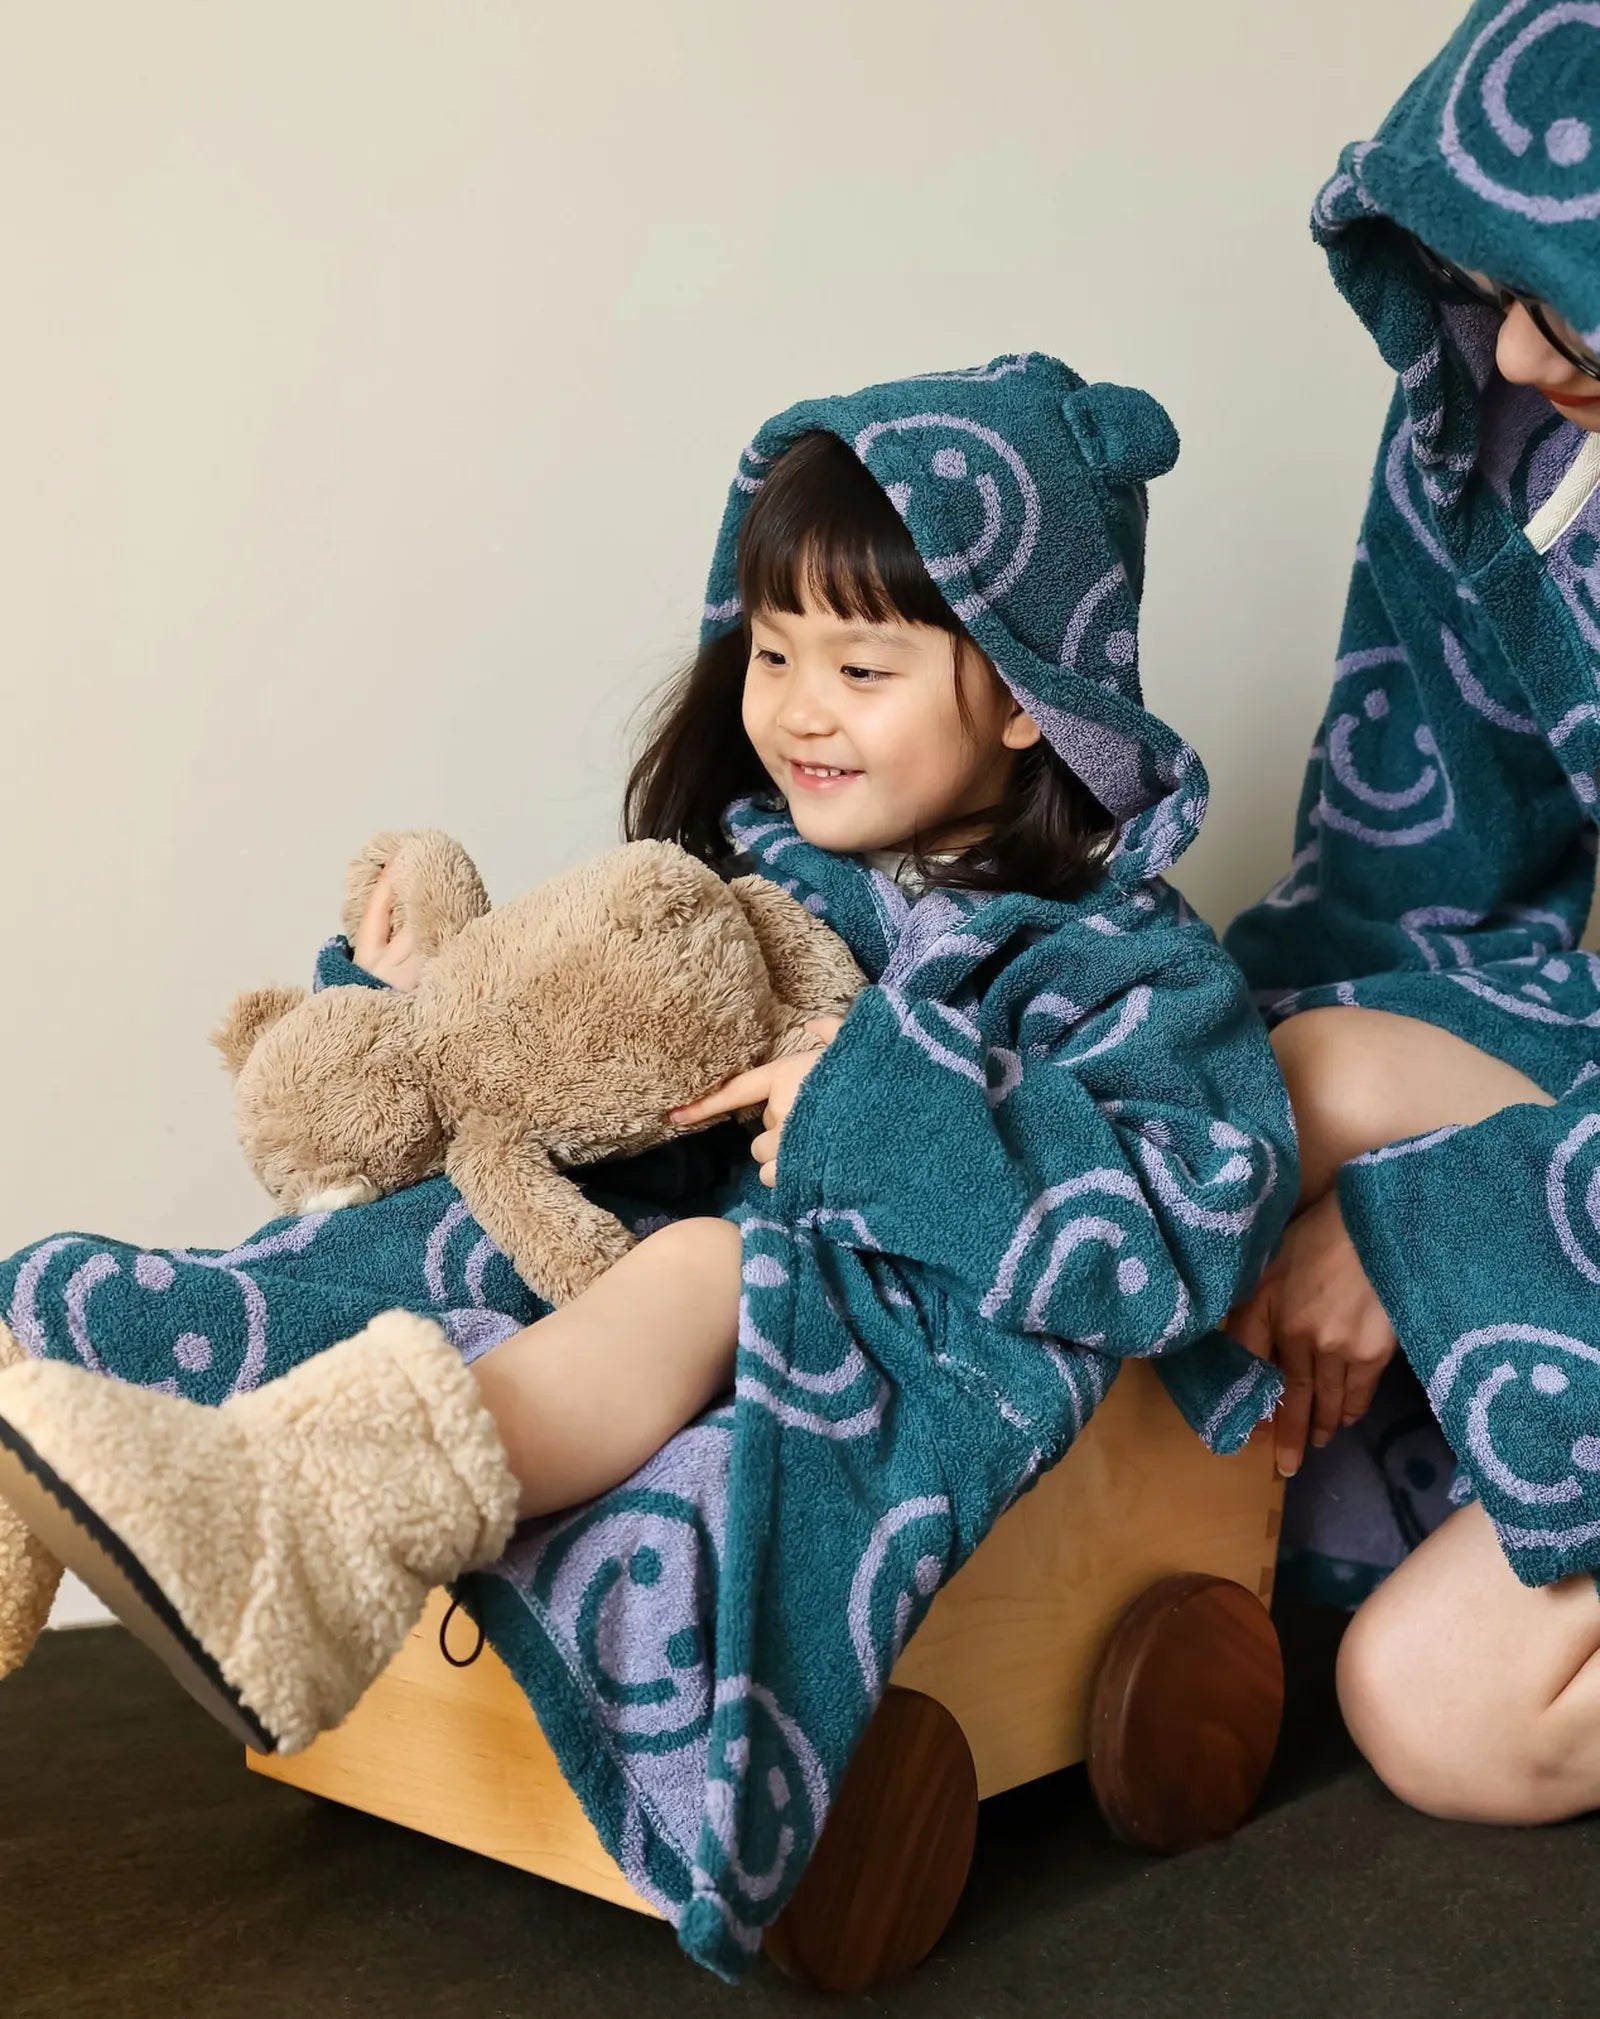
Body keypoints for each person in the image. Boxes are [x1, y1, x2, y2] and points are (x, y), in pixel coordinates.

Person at [0, 356, 1294, 1972]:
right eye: (773, 652)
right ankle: (110, 1383)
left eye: (863, 666)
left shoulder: (1127, 971)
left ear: (1028, 692)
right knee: (455, 1238)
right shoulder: (748, 879)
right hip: (672, 1262)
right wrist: (422, 1013)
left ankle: (329, 1516)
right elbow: (578, 1060)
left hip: (926, 1334)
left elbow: (1195, 1219)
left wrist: (884, 1111)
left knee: (699, 1267)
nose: (799, 707)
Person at [1226, 3, 1600, 1824]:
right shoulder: (1516, 435)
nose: (1520, 348)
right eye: (1499, 289)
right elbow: (1398, 883)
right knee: (1274, 1077)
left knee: (1441, 1701)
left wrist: (1459, 1230)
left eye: (1568, 304)